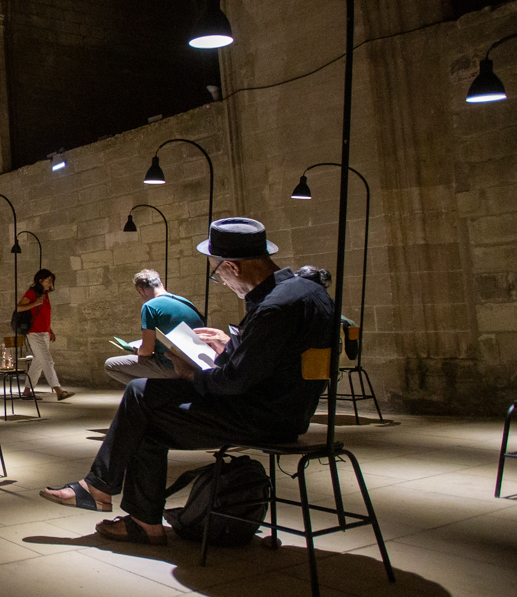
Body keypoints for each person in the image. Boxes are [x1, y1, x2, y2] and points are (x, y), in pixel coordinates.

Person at [39, 218, 336, 545]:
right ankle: (119, 504)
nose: (222, 282)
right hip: (287, 408)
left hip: (264, 416)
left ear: (232, 267)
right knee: (141, 401)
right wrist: (230, 345)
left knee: (142, 411)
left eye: (218, 275)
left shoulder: (274, 307)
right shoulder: (307, 293)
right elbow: (278, 358)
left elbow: (234, 382)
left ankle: (112, 499)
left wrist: (190, 372)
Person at [104, 270, 204, 384]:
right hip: (196, 365)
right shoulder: (186, 302)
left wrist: (137, 351)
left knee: (110, 365)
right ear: (161, 284)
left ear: (141, 290)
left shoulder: (150, 306)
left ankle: (149, 391)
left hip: (172, 366)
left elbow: (147, 350)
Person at [16, 269, 73, 400]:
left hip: (44, 333)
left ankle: (27, 391)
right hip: (34, 333)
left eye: (51, 281)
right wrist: (35, 303)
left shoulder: (45, 295)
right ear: (40, 280)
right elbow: (18, 308)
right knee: (47, 361)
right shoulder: (31, 293)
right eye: (48, 281)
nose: (50, 284)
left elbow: (44, 315)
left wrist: (50, 330)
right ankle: (58, 390)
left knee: (39, 362)